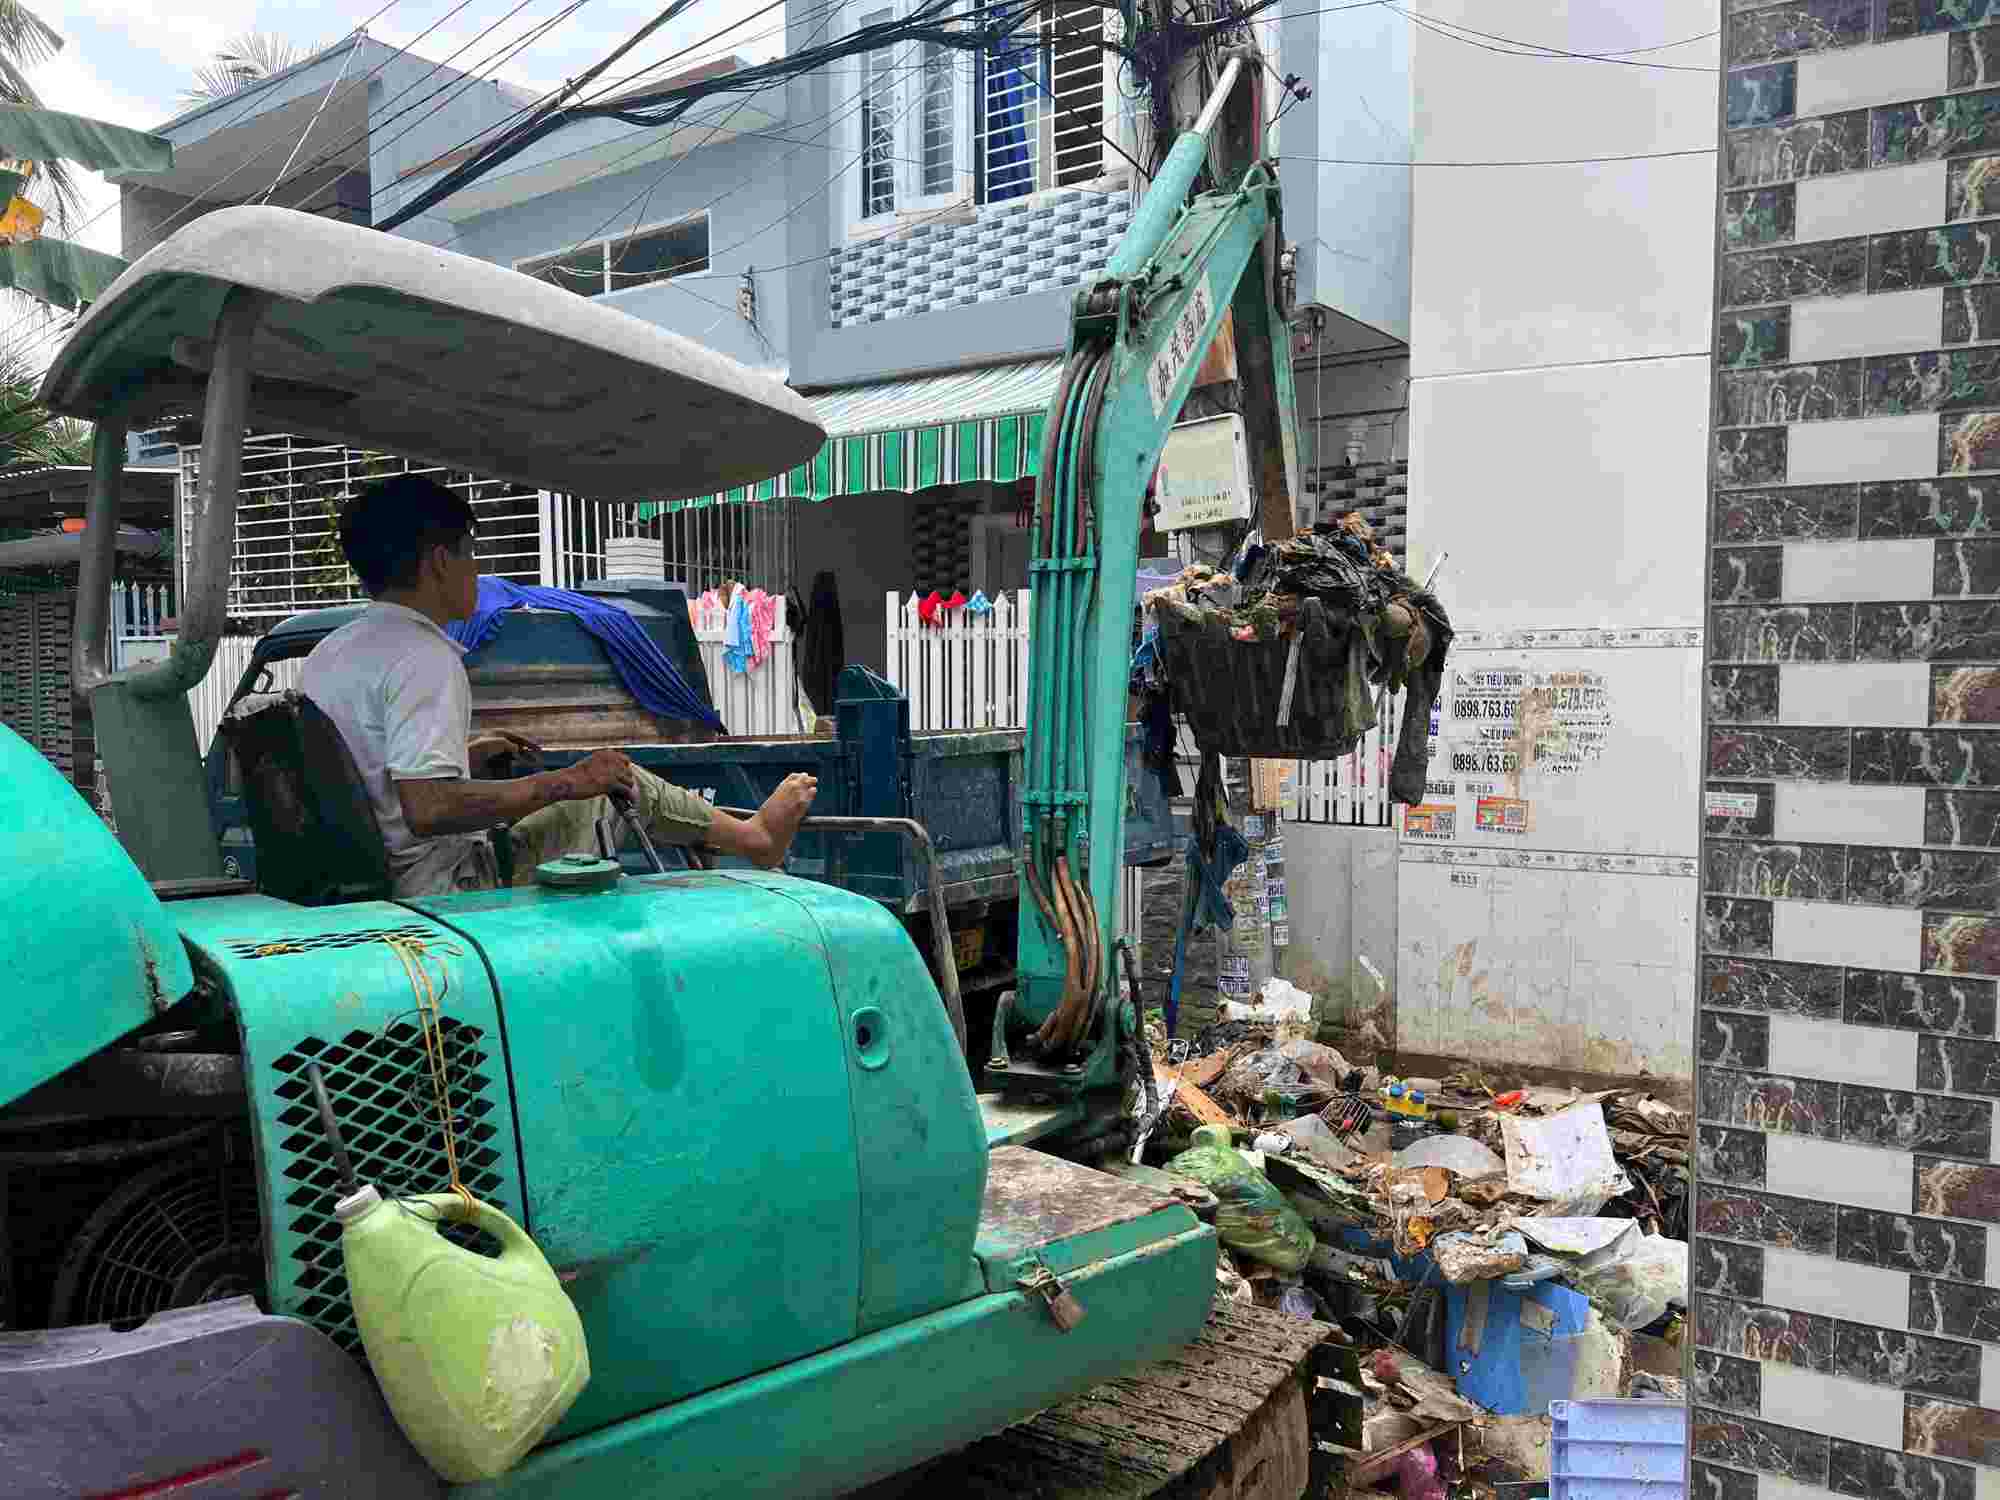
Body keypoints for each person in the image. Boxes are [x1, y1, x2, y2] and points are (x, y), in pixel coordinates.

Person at [300, 474, 816, 897]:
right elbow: (428, 809)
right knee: (613, 783)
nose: (477, 572)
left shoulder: (331, 654)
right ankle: (755, 839)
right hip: (444, 886)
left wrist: (465, 757)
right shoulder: (425, 657)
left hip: (374, 879)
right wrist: (571, 780)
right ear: (439, 562)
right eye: (470, 555)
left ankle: (742, 835)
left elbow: (371, 782)